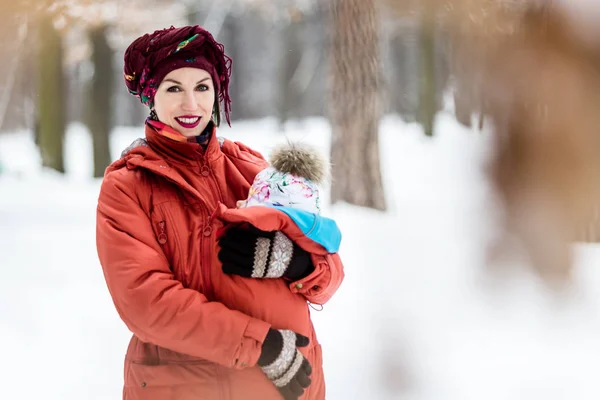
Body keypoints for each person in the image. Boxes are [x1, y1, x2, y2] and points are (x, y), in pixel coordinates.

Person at [95, 25, 344, 400]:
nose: (191, 104)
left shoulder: (253, 168)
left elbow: (330, 266)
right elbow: (145, 303)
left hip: (288, 384)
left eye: (202, 87)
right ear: (151, 96)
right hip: (187, 386)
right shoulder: (127, 187)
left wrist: (297, 264)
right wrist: (261, 345)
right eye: (174, 88)